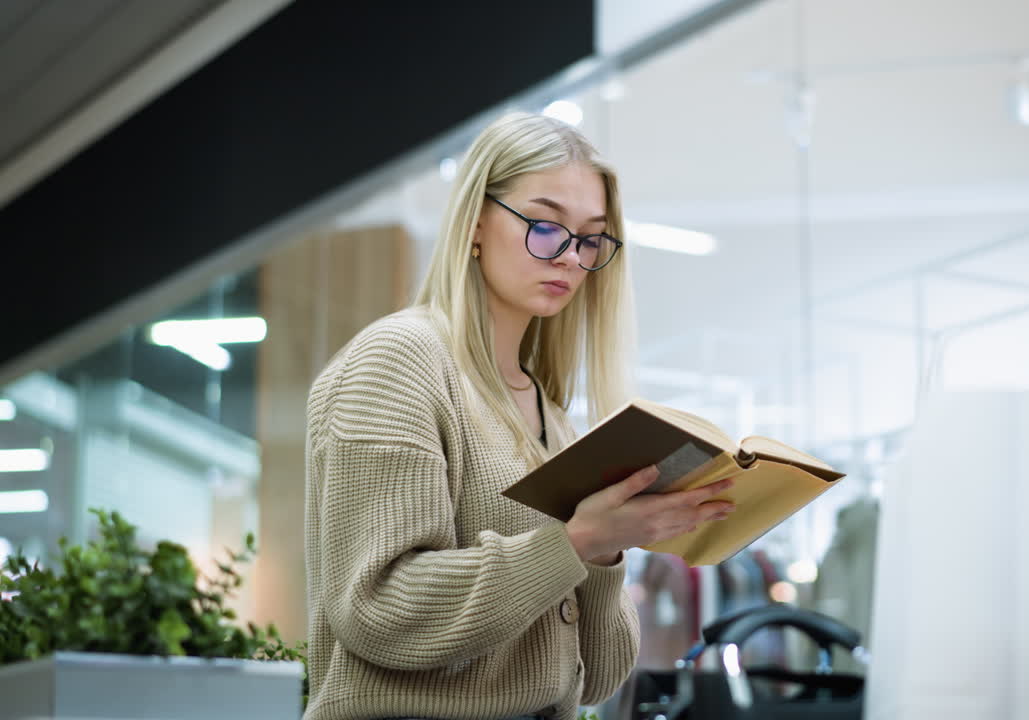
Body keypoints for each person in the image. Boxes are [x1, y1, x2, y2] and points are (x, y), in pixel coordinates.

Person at [302, 112, 736, 720]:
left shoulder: (550, 416)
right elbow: (381, 612)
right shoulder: (399, 362)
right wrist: (578, 540)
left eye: (589, 239)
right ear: (476, 222)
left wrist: (606, 551)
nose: (568, 258)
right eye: (544, 226)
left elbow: (599, 677)